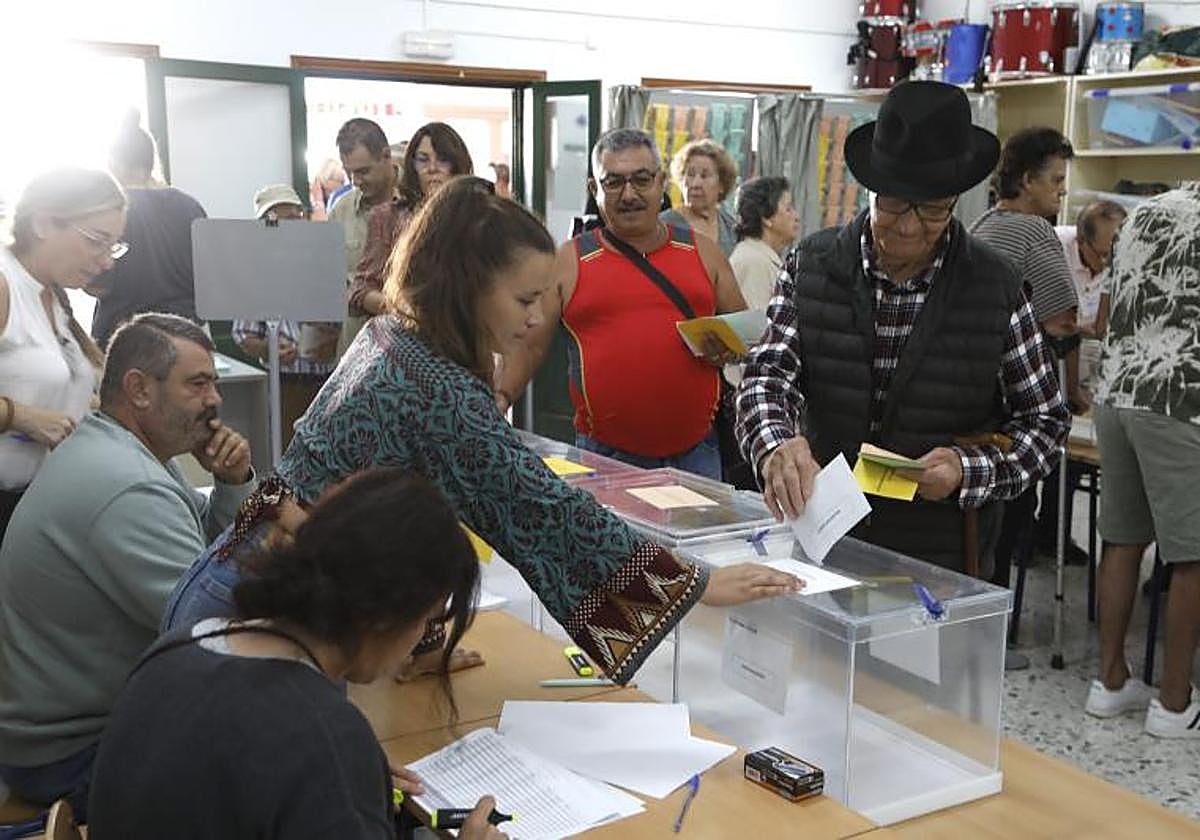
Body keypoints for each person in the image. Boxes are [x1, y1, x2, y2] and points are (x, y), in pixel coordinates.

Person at [165, 176, 800, 688]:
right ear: (469, 288)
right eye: (525, 300)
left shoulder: (397, 338)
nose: (534, 321)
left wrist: (414, 640)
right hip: (259, 617)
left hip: (247, 579)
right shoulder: (437, 386)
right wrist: (694, 583)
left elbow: (410, 504)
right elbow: (541, 506)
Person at [736, 81, 1070, 575]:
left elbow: (1045, 424)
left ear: (956, 199)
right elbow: (767, 377)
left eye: (933, 209)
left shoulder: (996, 287)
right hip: (823, 538)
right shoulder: (811, 264)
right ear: (869, 189)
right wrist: (776, 443)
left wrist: (968, 470)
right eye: (893, 204)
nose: (909, 227)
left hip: (940, 558)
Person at [88, 468, 507, 840]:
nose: (420, 642)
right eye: (428, 620)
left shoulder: (177, 649)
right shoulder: (324, 738)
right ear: (387, 615)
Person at [0, 313, 254, 817]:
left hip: (66, 732)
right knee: (276, 764)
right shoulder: (128, 485)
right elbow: (217, 629)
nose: (215, 401)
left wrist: (233, 481)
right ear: (139, 389)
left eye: (214, 384)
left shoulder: (122, 449)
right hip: (71, 753)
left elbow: (210, 559)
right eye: (198, 384)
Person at [503, 128, 746, 479]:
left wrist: (729, 348)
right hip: (605, 461)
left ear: (661, 182)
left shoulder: (702, 253)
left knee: (696, 537)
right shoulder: (570, 261)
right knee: (615, 538)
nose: (629, 194)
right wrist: (496, 403)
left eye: (642, 180)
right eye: (613, 182)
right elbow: (525, 346)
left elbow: (746, 335)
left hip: (698, 455)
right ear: (594, 190)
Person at [1085, 180, 1200, 738]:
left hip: (1118, 392)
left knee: (1124, 539)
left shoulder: (1145, 211)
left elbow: (1109, 310)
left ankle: (1110, 683)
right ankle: (1175, 704)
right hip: (1183, 398)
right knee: (1192, 555)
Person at [969, 127, 1085, 580]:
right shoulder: (1036, 231)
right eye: (1055, 181)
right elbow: (1064, 321)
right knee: (1012, 516)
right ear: (1027, 180)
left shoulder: (980, 225)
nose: (1062, 191)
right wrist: (1072, 390)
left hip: (976, 397)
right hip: (1018, 402)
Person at [0, 168, 118, 542]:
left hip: (41, 504)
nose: (107, 261)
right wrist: (19, 416)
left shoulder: (52, 295)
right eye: (97, 241)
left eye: (114, 246)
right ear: (44, 224)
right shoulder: (6, 286)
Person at [232, 184, 339, 446]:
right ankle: (276, 490)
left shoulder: (325, 261)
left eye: (292, 218)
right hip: (283, 385)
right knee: (283, 461)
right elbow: (243, 333)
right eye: (272, 221)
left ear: (303, 217)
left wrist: (329, 331)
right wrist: (269, 346)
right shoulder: (255, 272)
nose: (283, 228)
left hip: (329, 383)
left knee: (327, 460)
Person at [89, 119, 207, 347]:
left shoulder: (113, 211)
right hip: (185, 338)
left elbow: (97, 285)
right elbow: (209, 284)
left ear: (113, 163)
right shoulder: (191, 207)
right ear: (150, 161)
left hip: (126, 341)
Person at [347, 122, 473, 321]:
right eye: (423, 160)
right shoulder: (388, 217)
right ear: (412, 165)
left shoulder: (477, 217)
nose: (432, 168)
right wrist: (404, 310)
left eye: (442, 159)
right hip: (407, 336)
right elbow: (360, 289)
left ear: (456, 164)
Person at [329, 118, 399, 354]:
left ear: (386, 156)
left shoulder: (419, 205)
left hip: (409, 353)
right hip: (355, 353)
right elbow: (329, 283)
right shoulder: (341, 211)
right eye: (350, 173)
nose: (356, 182)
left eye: (363, 171)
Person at [659, 138, 739, 256]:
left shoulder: (731, 227)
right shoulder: (663, 225)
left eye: (704, 176)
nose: (696, 184)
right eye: (690, 175)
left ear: (722, 184)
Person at [729, 176, 799, 310]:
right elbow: (756, 325)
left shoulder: (761, 257)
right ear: (766, 218)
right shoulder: (753, 262)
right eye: (788, 209)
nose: (796, 217)